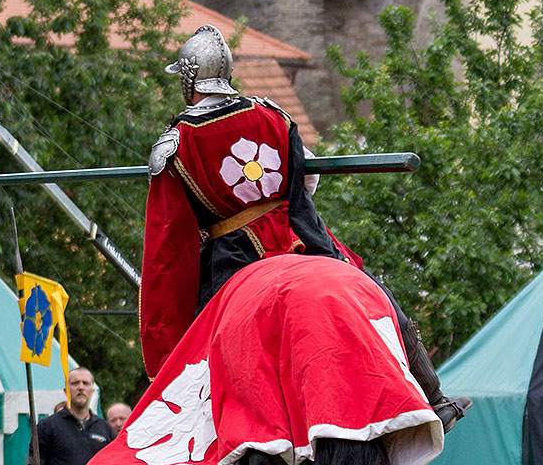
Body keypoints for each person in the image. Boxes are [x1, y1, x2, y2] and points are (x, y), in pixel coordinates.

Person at [140, 25, 468, 430]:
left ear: (190, 80)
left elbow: (169, 245)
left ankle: (193, 431)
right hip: (299, 235)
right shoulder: (272, 114)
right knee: (372, 293)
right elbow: (307, 179)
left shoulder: (176, 143)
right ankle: (434, 397)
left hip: (233, 258)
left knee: (204, 346)